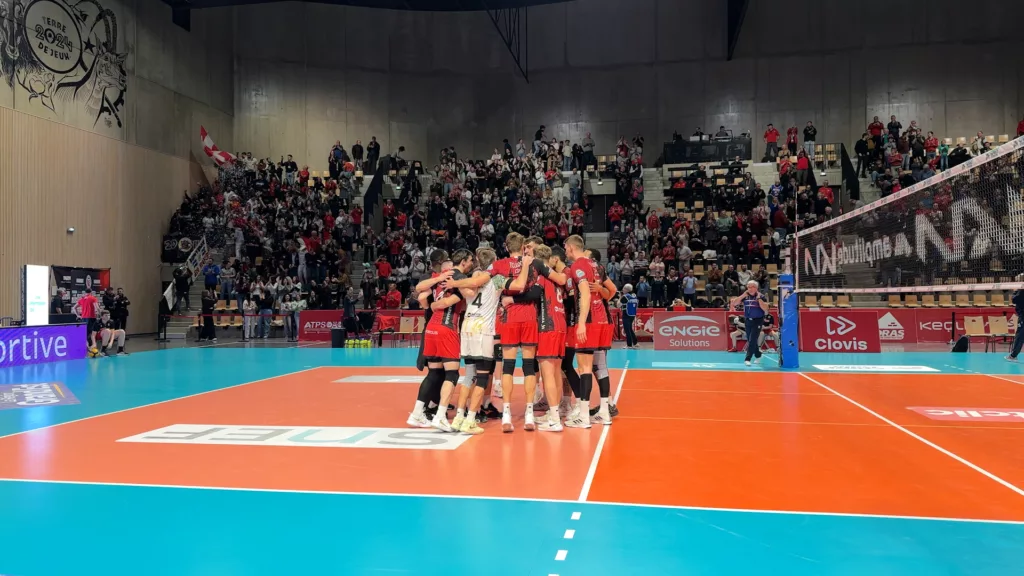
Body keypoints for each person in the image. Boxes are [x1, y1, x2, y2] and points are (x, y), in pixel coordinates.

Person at [445, 248, 503, 434]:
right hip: (483, 330)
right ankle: (470, 419)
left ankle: (459, 418)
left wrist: (455, 282)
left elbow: (469, 290)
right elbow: (517, 285)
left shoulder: (469, 280)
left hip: (467, 327)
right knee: (483, 377)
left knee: (469, 375)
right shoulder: (497, 279)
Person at [563, 234, 611, 428]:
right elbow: (611, 291)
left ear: (571, 248)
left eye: (566, 248)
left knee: (584, 368)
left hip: (589, 321)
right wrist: (599, 289)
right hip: (603, 320)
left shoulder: (578, 266)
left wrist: (581, 323)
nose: (566, 252)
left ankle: (583, 416)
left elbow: (584, 294)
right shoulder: (597, 265)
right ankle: (605, 412)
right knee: (600, 367)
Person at [730, 280, 768, 366]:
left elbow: (765, 308)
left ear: (756, 288)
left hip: (758, 320)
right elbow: (734, 303)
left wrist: (759, 299)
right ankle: (758, 355)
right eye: (748, 287)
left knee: (752, 339)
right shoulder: (745, 296)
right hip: (747, 320)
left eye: (752, 287)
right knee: (750, 339)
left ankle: (747, 359)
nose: (750, 289)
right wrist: (743, 295)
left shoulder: (761, 296)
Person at [1006, 274, 1024, 362]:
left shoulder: (1021, 290)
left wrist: (1014, 291)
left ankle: (1013, 356)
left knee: (1020, 336)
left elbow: (1015, 300)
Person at [620, 283, 638, 349]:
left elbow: (618, 304)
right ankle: (635, 343)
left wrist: (620, 296)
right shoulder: (634, 295)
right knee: (630, 328)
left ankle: (629, 345)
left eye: (624, 288)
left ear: (626, 289)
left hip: (626, 314)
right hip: (632, 314)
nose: (622, 289)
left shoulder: (626, 296)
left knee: (627, 329)